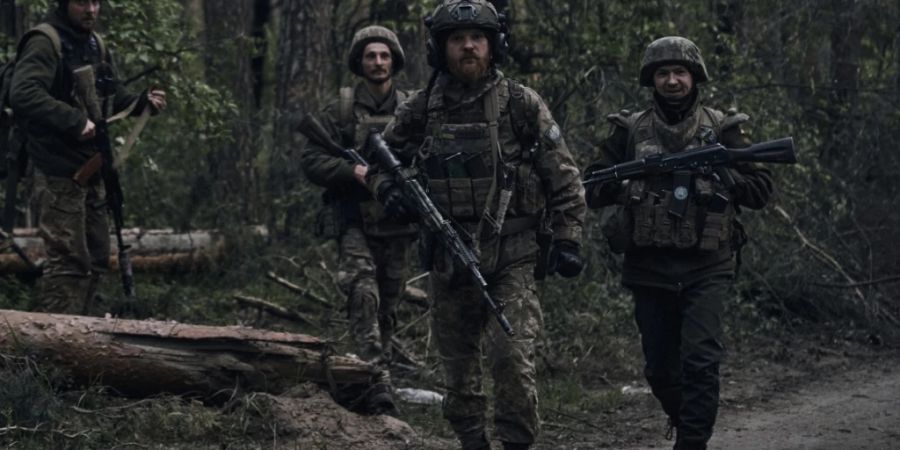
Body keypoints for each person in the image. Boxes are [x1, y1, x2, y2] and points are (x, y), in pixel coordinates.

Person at [368, 1, 585, 448]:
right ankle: (472, 442)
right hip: (448, 259)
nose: (468, 46)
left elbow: (564, 178)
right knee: (459, 370)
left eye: (478, 38)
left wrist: (567, 239)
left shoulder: (521, 104)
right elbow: (379, 161)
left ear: (494, 44)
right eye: (456, 39)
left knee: (511, 360)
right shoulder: (422, 108)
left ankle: (516, 443)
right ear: (439, 47)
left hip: (512, 253)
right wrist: (387, 190)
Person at [585, 36, 774, 450]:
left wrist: (723, 173)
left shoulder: (723, 128)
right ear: (651, 80)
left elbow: (761, 191)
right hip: (648, 266)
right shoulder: (628, 129)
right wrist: (629, 181)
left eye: (680, 72)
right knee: (659, 370)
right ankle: (686, 418)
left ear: (695, 77)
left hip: (707, 263)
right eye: (663, 73)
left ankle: (691, 442)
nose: (672, 80)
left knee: (701, 360)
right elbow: (591, 187)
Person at [10, 0, 166, 315]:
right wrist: (75, 120)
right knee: (68, 261)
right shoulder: (45, 41)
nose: (91, 10)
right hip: (56, 170)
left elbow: (109, 97)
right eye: (82, 2)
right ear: (65, 4)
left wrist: (139, 102)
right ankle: (55, 347)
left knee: (96, 256)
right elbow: (23, 92)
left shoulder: (95, 44)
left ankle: (85, 338)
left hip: (91, 168)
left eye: (96, 2)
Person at [300, 25, 415, 411]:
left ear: (394, 60)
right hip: (355, 220)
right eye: (371, 55)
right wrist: (354, 172)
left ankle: (379, 374)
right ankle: (375, 379)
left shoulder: (412, 108)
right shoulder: (342, 110)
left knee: (388, 303)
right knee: (363, 291)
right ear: (360, 62)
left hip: (398, 221)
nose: (378, 62)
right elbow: (312, 160)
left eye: (384, 55)